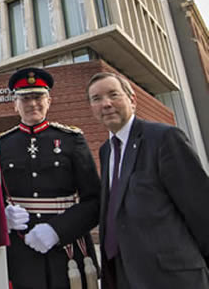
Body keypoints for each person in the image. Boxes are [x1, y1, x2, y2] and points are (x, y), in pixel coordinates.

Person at [87, 71, 209, 289]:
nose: (105, 104)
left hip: (172, 278)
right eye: (96, 99)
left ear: (132, 100)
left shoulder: (164, 138)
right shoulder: (106, 151)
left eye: (113, 95)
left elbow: (201, 209)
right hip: (124, 274)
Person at [0, 67, 100, 289]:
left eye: (38, 97)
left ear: (49, 101)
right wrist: (1, 217)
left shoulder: (72, 140)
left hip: (67, 248)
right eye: (25, 98)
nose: (32, 103)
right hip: (20, 248)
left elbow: (95, 201)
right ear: (14, 104)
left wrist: (57, 230)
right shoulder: (1, 144)